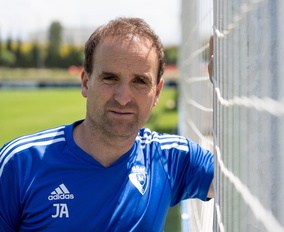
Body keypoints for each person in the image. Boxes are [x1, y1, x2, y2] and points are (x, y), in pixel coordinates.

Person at [0, 17, 214, 231]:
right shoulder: (19, 163)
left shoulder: (170, 158)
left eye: (140, 81)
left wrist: (232, 86)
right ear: (86, 82)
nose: (123, 98)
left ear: (156, 92)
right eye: (110, 78)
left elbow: (240, 179)